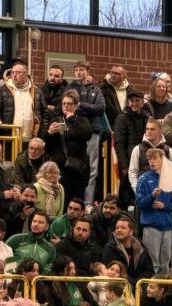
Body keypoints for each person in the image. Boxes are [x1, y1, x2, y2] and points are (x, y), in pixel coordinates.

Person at [44, 89, 93, 206]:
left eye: (69, 104)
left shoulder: (82, 120)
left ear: (76, 106)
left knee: (76, 204)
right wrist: (49, 134)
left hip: (78, 171)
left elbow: (86, 134)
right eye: (64, 103)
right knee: (60, 204)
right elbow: (47, 147)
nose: (66, 106)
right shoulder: (55, 120)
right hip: (60, 171)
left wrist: (72, 119)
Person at [136, 149, 172, 275]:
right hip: (151, 226)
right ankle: (150, 291)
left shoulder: (169, 178)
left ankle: (164, 292)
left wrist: (164, 206)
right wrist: (152, 196)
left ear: (162, 160)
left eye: (155, 158)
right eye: (150, 159)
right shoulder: (143, 179)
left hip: (167, 226)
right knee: (152, 263)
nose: (152, 162)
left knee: (165, 263)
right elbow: (139, 203)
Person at [68, 62, 105, 205]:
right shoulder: (70, 88)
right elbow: (69, 108)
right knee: (72, 167)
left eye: (81, 70)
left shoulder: (96, 90)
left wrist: (81, 105)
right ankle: (73, 203)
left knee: (92, 169)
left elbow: (100, 108)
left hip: (93, 133)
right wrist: (89, 108)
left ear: (88, 71)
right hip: (74, 133)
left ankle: (87, 203)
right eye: (76, 70)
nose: (78, 72)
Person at [0, 62, 45, 143]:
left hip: (31, 139)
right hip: (9, 137)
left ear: (26, 74)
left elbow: (44, 112)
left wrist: (42, 130)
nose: (14, 75)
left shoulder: (36, 91)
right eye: (13, 72)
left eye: (18, 72)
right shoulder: (2, 89)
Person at [114, 90, 150, 207]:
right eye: (131, 101)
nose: (134, 103)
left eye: (137, 100)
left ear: (142, 102)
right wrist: (124, 165)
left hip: (144, 161)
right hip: (128, 161)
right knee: (126, 195)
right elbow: (119, 143)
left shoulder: (147, 117)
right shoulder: (121, 118)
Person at [101, 216, 154, 286]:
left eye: (123, 228)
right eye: (117, 228)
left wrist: (138, 284)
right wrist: (134, 284)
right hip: (118, 285)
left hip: (140, 285)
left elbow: (149, 271)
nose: (119, 230)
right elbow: (112, 271)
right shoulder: (110, 248)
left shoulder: (141, 248)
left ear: (131, 231)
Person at [128, 117, 172, 191]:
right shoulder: (137, 149)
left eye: (152, 129)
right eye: (147, 129)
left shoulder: (169, 151)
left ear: (160, 131)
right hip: (143, 194)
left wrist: (167, 194)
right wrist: (138, 191)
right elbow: (132, 172)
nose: (149, 131)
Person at [6, 210, 57, 274]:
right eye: (34, 221)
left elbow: (47, 271)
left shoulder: (50, 249)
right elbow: (4, 259)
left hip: (36, 282)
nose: (36, 224)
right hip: (15, 280)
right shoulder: (15, 239)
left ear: (47, 227)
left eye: (40, 222)